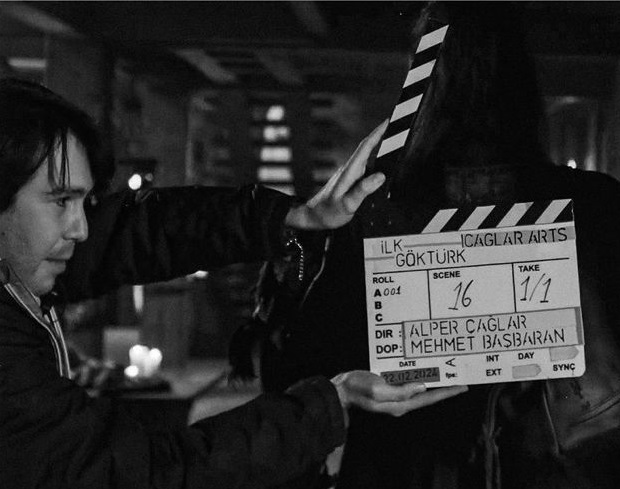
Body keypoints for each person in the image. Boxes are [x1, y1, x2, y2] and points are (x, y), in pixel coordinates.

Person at [236, 3, 620, 489]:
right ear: (525, 85)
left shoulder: (363, 221)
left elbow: (289, 376)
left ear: (419, 89)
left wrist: (306, 245)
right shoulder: (605, 212)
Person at [0, 77, 467, 489]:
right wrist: (329, 403)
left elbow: (135, 232)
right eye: (60, 201)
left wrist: (291, 217)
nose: (80, 229)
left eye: (84, 204)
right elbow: (142, 474)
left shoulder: (20, 265)